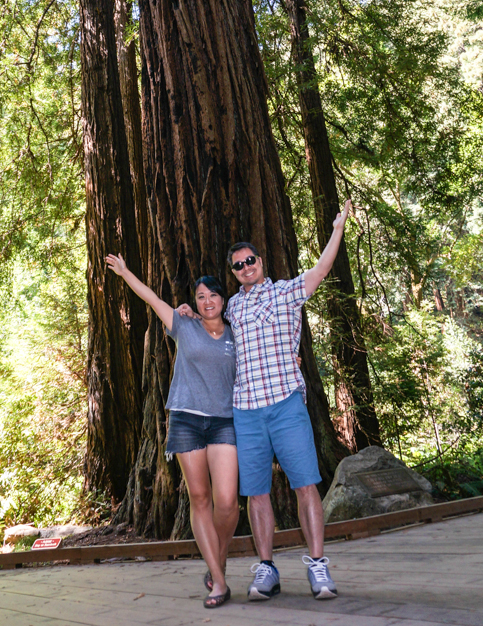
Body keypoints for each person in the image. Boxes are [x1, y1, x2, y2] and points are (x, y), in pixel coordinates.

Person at [225, 201, 353, 602]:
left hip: (285, 404)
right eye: (239, 265)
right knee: (256, 493)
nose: (247, 267)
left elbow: (322, 269)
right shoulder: (231, 305)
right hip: (246, 410)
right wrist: (186, 312)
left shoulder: (285, 293)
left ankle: (317, 564)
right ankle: (266, 568)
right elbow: (210, 325)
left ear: (261, 261)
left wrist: (337, 229)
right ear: (234, 273)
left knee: (305, 485)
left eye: (251, 260)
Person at [106, 253, 238, 609]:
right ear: (194, 303)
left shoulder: (237, 333)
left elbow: (263, 358)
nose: (207, 302)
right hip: (186, 420)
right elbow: (151, 298)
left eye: (213, 295)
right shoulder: (184, 325)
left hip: (225, 420)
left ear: (223, 300)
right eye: (201, 297)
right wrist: (125, 271)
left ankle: (218, 559)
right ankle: (219, 582)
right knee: (200, 499)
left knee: (226, 502)